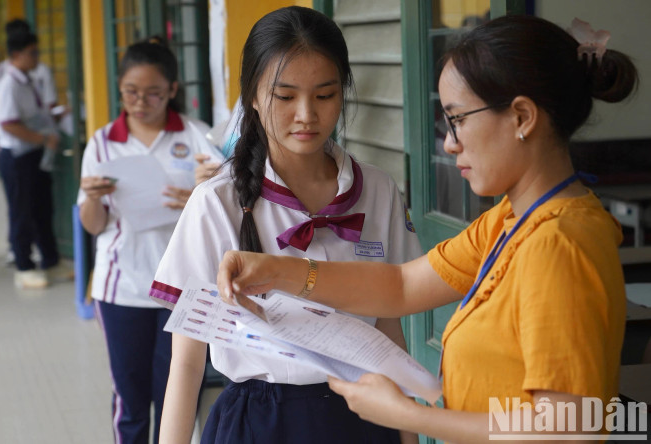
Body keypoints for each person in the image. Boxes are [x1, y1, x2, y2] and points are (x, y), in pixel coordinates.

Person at [217, 15, 638, 443]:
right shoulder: (511, 220)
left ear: (522, 117)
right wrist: (275, 270)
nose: (450, 142)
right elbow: (401, 285)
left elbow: (569, 428)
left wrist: (409, 416)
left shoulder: (557, 243)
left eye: (457, 120)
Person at [150, 7, 421, 444]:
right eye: (285, 96)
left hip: (365, 416)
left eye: (325, 94)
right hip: (260, 422)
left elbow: (390, 329)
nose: (306, 115)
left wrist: (409, 437)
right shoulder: (217, 202)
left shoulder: (379, 191)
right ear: (253, 96)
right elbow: (186, 360)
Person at [77, 37, 223, 444]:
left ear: (173, 91)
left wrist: (198, 198)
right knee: (130, 398)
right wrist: (91, 197)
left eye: (153, 93)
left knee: (180, 394)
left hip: (187, 286)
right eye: (130, 92)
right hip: (121, 286)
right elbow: (93, 225)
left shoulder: (199, 138)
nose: (140, 103)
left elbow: (228, 217)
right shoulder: (104, 142)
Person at [0, 29, 64, 289]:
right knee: (21, 211)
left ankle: (51, 260)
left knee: (42, 209)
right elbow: (8, 124)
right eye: (32, 52)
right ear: (16, 55)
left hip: (33, 153)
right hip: (17, 155)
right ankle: (24, 266)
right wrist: (42, 138)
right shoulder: (8, 83)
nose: (37, 57)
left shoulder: (27, 79)